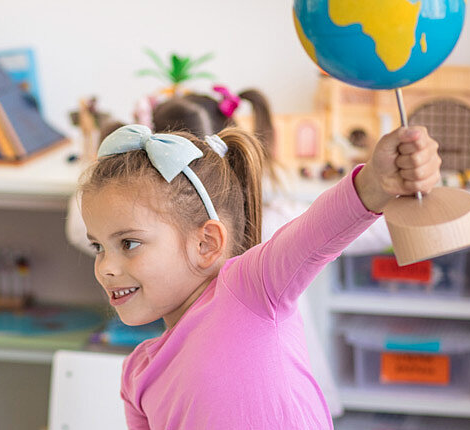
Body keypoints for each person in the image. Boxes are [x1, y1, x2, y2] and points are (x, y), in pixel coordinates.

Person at [79, 124, 440, 429]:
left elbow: (317, 232)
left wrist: (377, 182)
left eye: (128, 243)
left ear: (206, 243)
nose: (105, 267)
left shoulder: (249, 290)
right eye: (98, 247)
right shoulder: (137, 376)